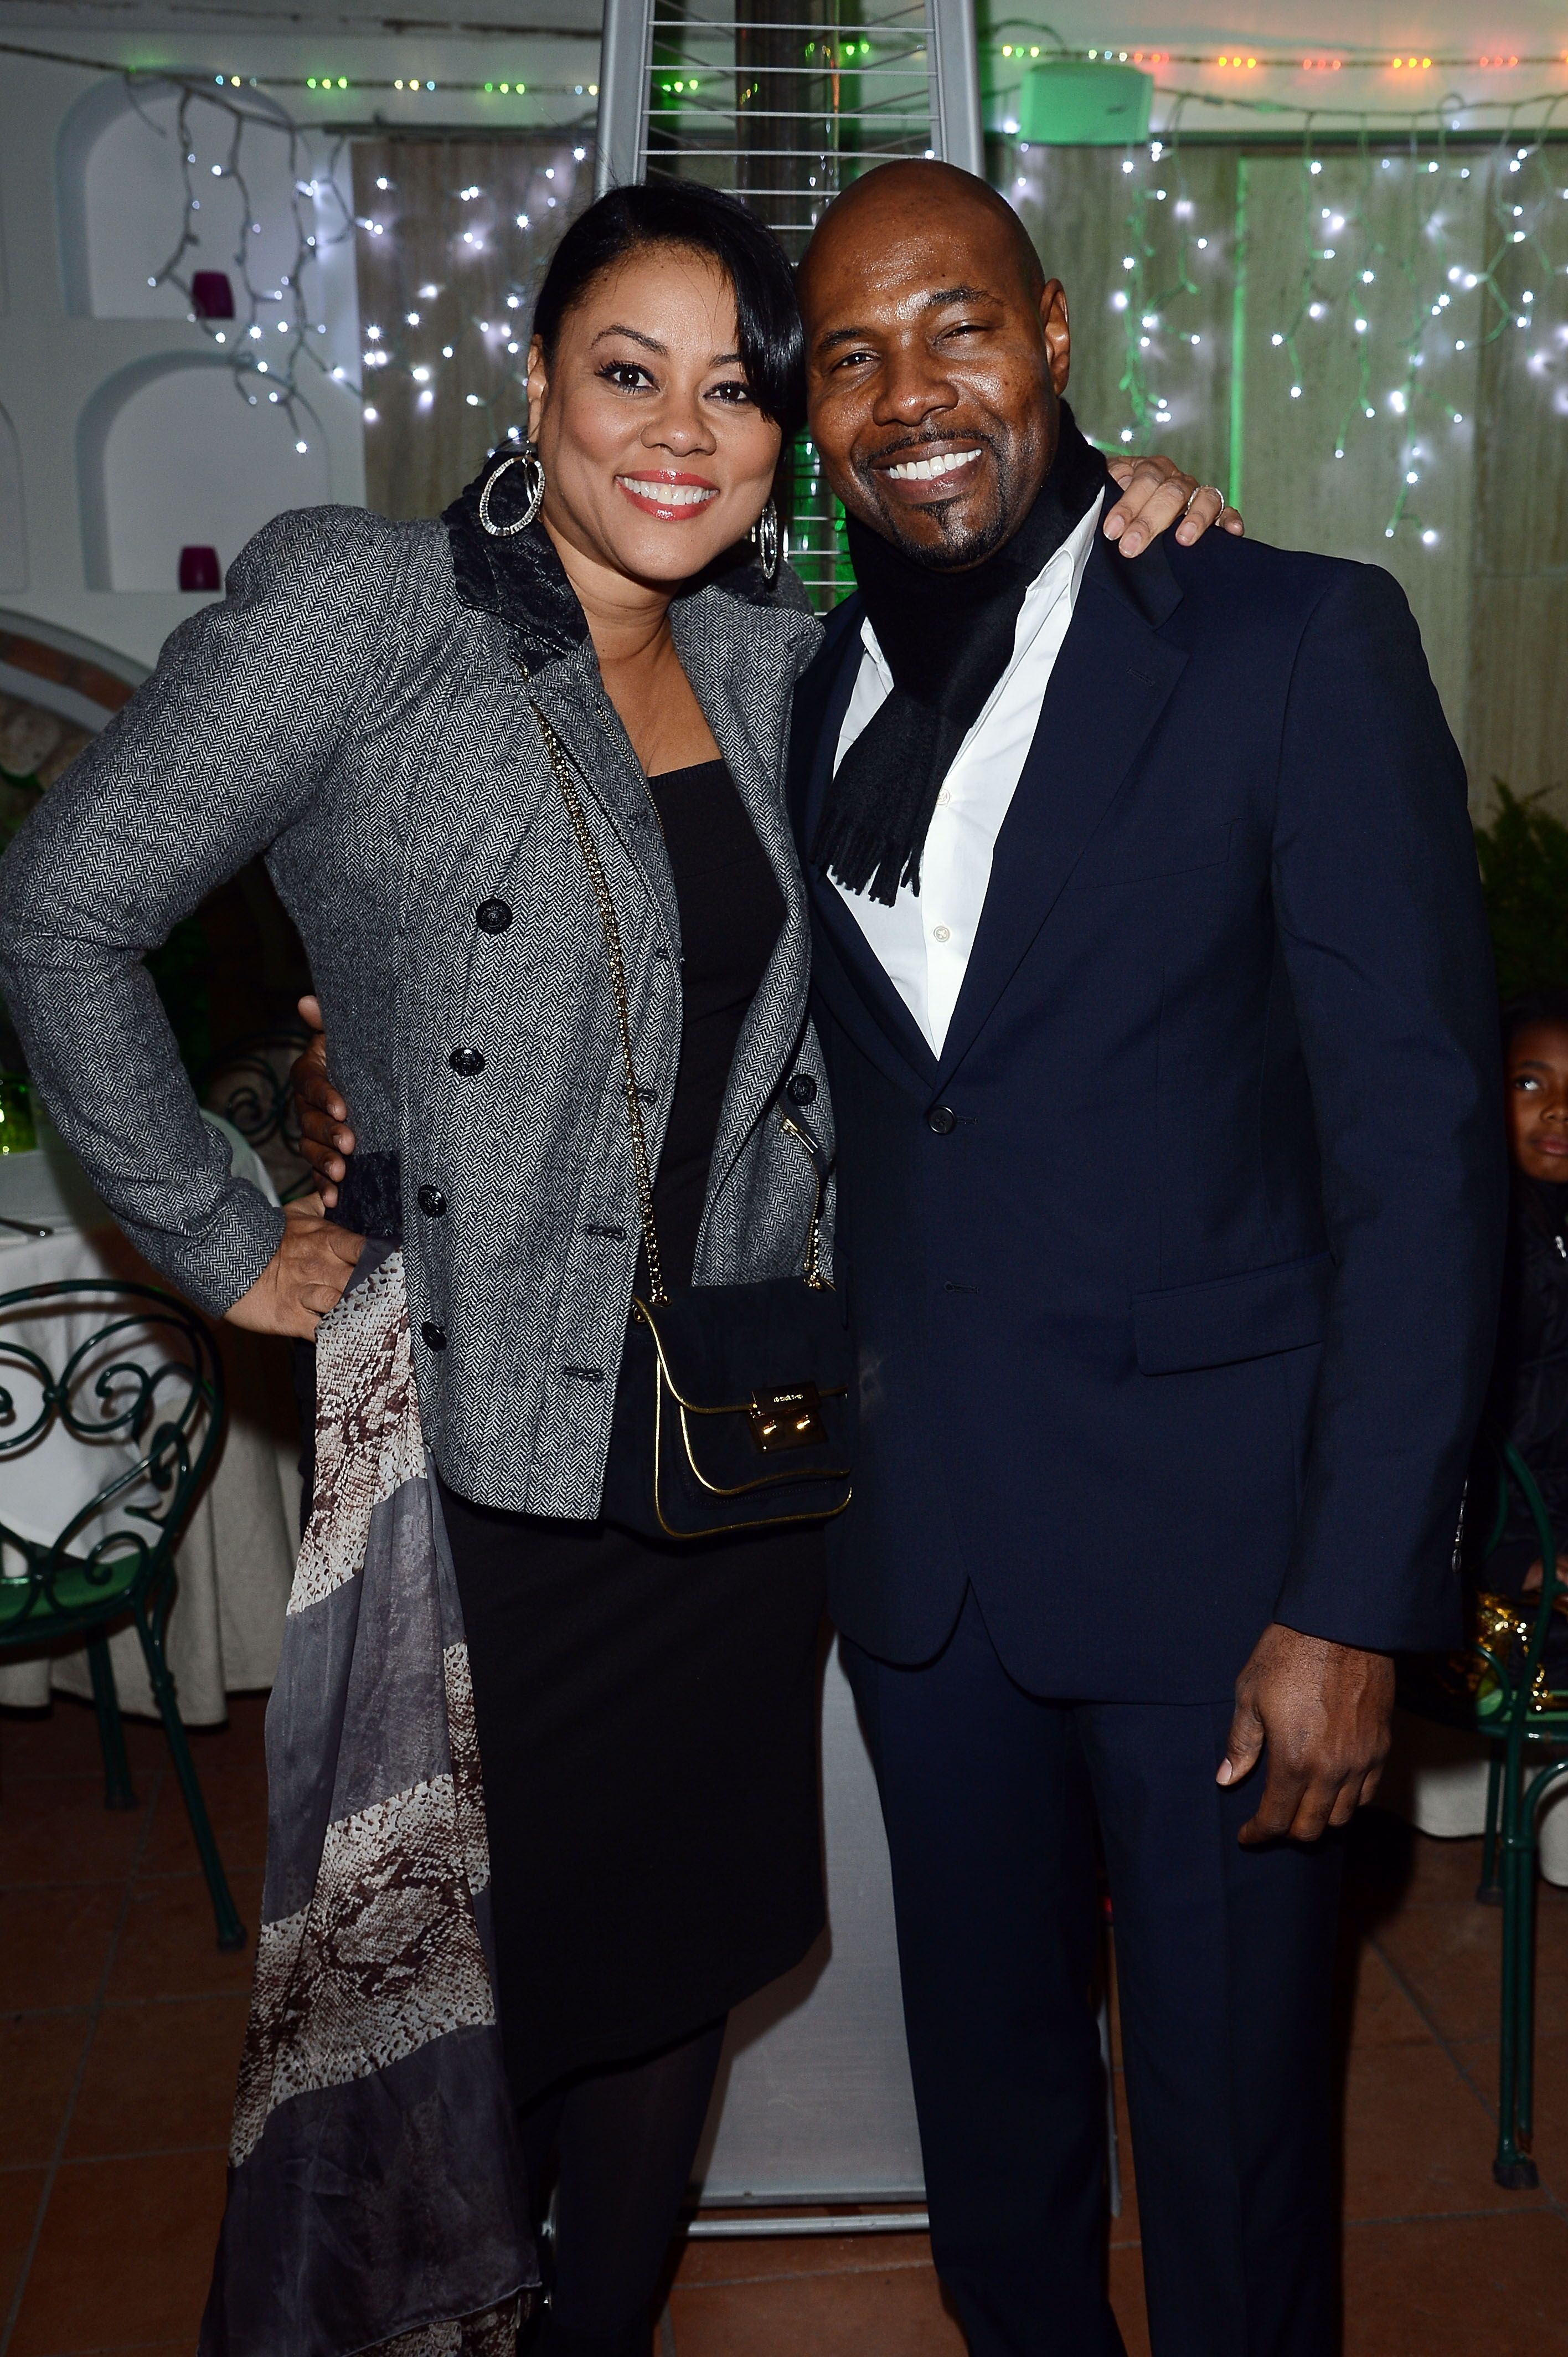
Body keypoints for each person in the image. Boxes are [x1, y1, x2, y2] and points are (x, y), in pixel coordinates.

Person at [0, 178, 1220, 2357]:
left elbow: (1017, 718)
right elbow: (65, 902)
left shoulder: (788, 661)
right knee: (481, 1998)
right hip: (482, 1450)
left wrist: (1138, 521)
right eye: (626, 374)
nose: (683, 435)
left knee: (674, 1966)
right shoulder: (362, 606)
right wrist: (218, 1235)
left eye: (737, 390)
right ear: (536, 387)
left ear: (784, 437)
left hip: (735, 1442)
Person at [777, 162, 1502, 2356]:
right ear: (807, 409)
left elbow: (1422, 1154)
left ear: (1058, 329)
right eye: (850, 354)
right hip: (927, 1564)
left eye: (959, 325)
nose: (915, 392)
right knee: (990, 2120)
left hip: (1224, 1577)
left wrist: (1356, 1594)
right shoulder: (806, 684)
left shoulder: (1287, 633)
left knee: (1235, 2137)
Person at [1485, 990, 1568, 1602]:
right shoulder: (1475, 1242)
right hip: (1506, 1569)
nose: (1560, 1110)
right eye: (1529, 1084)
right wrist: (1513, 1563)